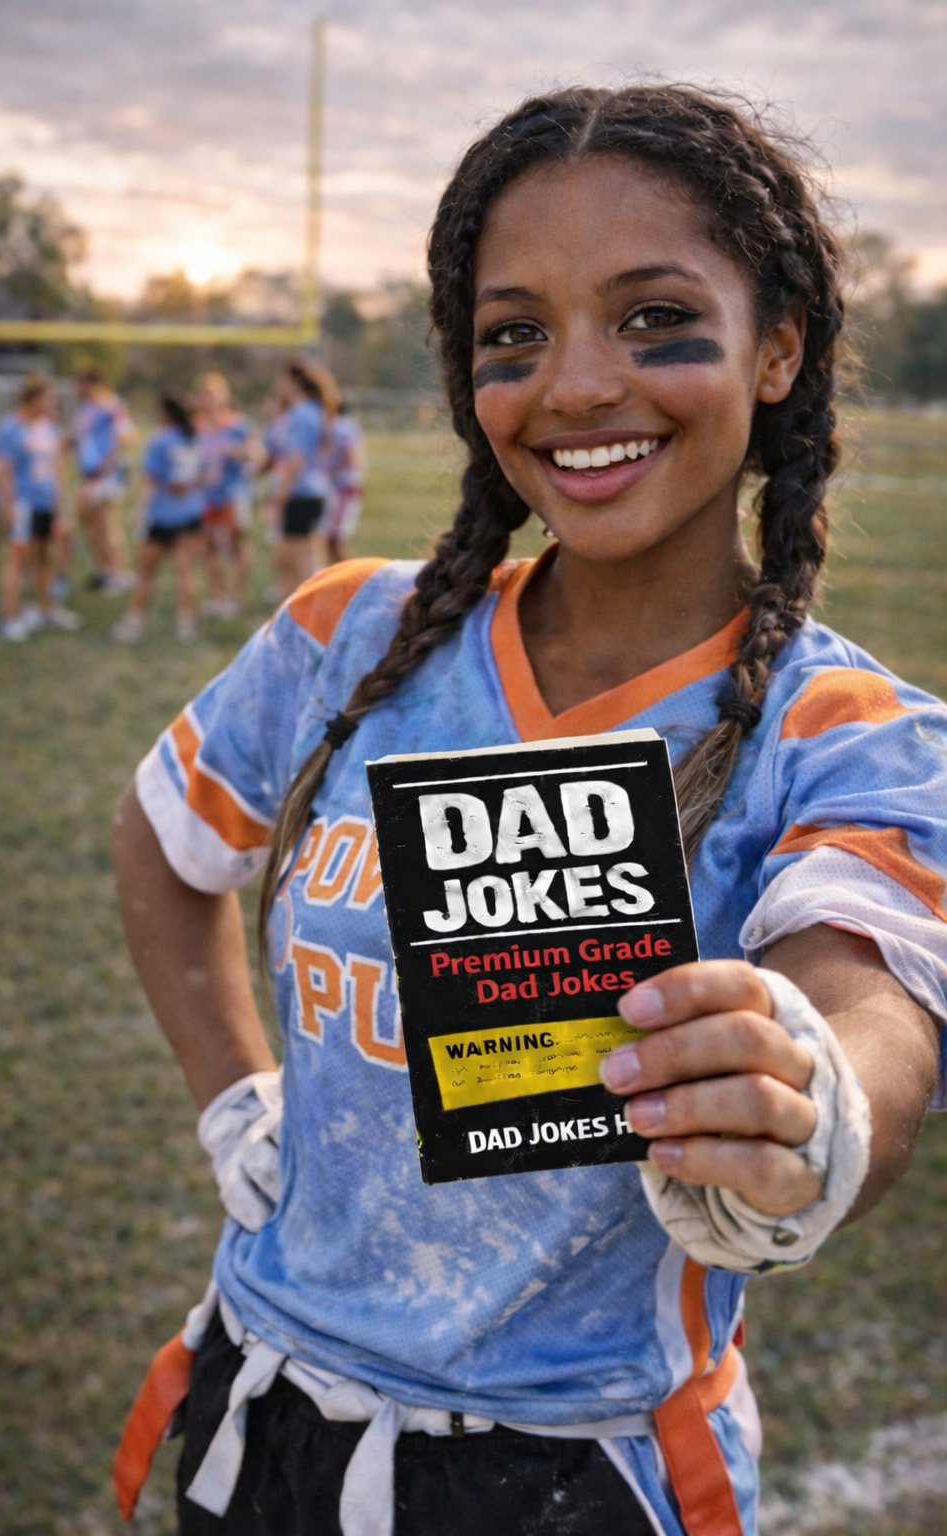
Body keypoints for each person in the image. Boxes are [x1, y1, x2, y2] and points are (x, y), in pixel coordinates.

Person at [111, 85, 946, 1536]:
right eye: (515, 335)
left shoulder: (846, 731)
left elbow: (869, 1013)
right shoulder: (349, 635)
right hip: (260, 1410)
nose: (574, 387)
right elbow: (161, 841)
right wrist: (236, 1096)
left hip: (573, 1468)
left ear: (779, 349)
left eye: (654, 319)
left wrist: (806, 1096)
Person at [111, 394, 204, 643]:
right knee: (185, 572)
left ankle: (134, 621)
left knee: (145, 573)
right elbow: (200, 475)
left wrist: (140, 513)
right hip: (189, 513)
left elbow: (150, 481)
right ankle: (185, 623)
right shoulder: (193, 438)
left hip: (162, 515)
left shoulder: (160, 440)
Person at [0, 376, 82, 641]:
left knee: (46, 557)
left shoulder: (48, 426)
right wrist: (7, 505)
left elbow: (57, 467)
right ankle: (10, 618)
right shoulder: (11, 427)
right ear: (32, 399)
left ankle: (45, 609)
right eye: (47, 399)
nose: (51, 405)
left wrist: (62, 505)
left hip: (47, 503)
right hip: (23, 504)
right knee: (17, 559)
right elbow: (4, 470)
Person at [265, 356, 338, 604]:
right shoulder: (315, 411)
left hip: (301, 494)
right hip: (314, 491)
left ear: (294, 382)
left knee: (302, 562)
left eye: (282, 380)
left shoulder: (301, 414)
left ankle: (314, 610)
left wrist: (281, 495)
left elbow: (296, 460)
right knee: (300, 556)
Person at [71, 366, 135, 594]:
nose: (76, 388)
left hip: (107, 474)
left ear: (92, 384)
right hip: (89, 474)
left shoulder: (112, 405)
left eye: (80, 383)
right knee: (90, 521)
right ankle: (106, 569)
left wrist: (108, 464)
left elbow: (126, 436)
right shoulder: (85, 409)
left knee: (106, 523)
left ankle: (118, 572)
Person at [195, 372, 254, 619]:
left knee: (236, 546)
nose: (209, 400)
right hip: (207, 495)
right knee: (209, 547)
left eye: (213, 394)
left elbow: (255, 454)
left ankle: (235, 597)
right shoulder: (198, 428)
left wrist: (237, 451)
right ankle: (216, 596)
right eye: (205, 395)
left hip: (233, 493)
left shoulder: (238, 426)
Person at [321, 400, 366, 565]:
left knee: (333, 540)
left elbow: (350, 456)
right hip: (343, 487)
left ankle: (356, 575)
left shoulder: (340, 427)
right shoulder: (348, 425)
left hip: (342, 488)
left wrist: (331, 469)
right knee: (329, 542)